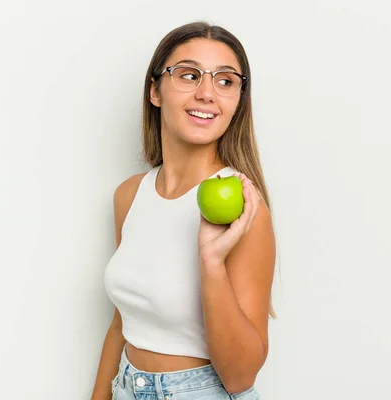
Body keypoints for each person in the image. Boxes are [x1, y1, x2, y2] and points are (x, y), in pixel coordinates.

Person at [90, 21, 276, 400]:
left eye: (225, 81)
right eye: (189, 75)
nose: (207, 93)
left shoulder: (244, 207)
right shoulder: (129, 195)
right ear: (155, 90)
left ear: (239, 98)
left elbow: (241, 377)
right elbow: (121, 324)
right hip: (126, 386)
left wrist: (212, 262)